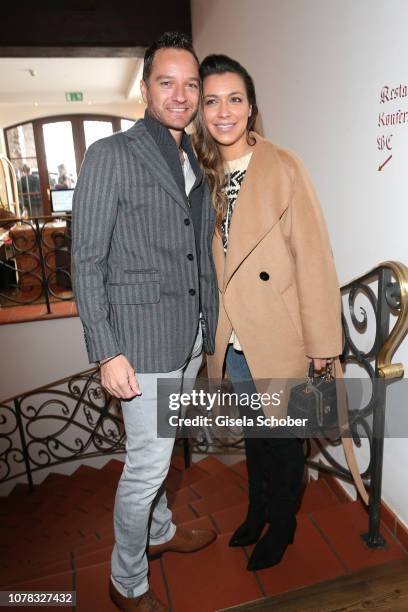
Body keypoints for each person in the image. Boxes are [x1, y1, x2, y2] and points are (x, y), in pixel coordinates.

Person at [71, 32, 218, 611]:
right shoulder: (110, 154)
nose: (180, 95)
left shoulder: (195, 155)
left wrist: (208, 329)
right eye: (167, 82)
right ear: (145, 88)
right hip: (139, 343)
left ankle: (158, 532)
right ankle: (125, 580)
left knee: (160, 455)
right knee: (146, 467)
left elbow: (194, 249)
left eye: (190, 85)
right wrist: (107, 351)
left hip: (186, 338)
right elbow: (86, 260)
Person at [193, 55, 343, 572]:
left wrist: (323, 344)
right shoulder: (203, 170)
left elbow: (315, 255)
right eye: (211, 100)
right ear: (201, 110)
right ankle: (258, 511)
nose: (224, 110)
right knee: (256, 438)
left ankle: (283, 524)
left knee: (283, 443)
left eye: (235, 99)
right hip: (233, 340)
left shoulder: (282, 165)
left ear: (252, 107)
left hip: (279, 335)